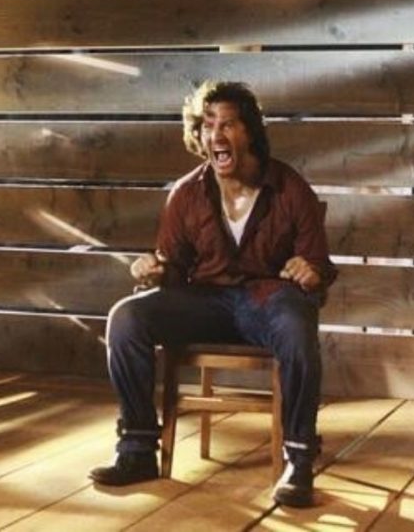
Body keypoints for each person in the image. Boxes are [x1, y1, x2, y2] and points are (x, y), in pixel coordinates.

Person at [88, 81, 335, 508]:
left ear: (249, 132)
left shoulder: (290, 187)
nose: (216, 134)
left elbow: (318, 266)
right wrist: (155, 271)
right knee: (126, 317)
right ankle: (138, 450)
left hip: (267, 302)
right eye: (208, 125)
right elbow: (174, 266)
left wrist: (309, 273)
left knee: (297, 324)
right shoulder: (187, 193)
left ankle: (298, 461)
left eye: (228, 125)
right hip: (204, 302)